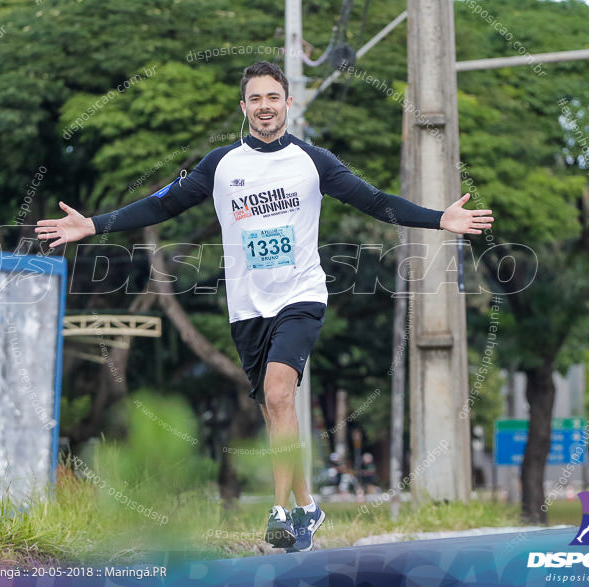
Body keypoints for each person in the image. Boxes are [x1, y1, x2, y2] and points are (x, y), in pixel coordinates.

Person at [36, 61, 493, 552]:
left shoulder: (313, 162)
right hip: (247, 310)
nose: (265, 106)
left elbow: (374, 201)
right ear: (244, 107)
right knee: (278, 411)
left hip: (301, 296)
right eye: (255, 98)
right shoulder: (220, 165)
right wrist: (94, 225)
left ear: (287, 103)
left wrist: (437, 219)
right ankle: (309, 509)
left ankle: (279, 515)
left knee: (279, 395)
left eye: (273, 97)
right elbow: (162, 204)